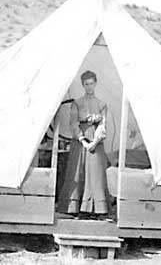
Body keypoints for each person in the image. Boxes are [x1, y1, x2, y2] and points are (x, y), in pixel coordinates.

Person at [57, 70, 110, 219]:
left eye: (91, 83)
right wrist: (82, 140)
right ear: (82, 85)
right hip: (80, 143)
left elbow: (103, 125)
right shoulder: (77, 103)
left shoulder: (102, 104)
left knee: (96, 173)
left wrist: (95, 142)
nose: (89, 87)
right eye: (86, 84)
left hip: (96, 143)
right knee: (76, 171)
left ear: (96, 83)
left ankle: (95, 208)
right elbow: (73, 123)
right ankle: (73, 207)